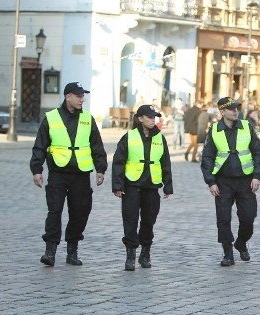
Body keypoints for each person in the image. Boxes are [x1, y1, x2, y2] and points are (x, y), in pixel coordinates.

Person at [30, 82, 107, 267]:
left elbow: (97, 145)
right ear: (68, 96)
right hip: (58, 172)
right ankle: (50, 251)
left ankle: (72, 250)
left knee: (80, 212)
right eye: (79, 96)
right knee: (55, 210)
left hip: (81, 174)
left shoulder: (88, 119)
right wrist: (37, 170)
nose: (82, 99)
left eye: (83, 96)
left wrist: (100, 169)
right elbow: (40, 145)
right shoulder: (51, 118)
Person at [200, 97, 260, 266]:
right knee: (223, 219)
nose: (235, 111)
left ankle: (241, 243)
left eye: (236, 108)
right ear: (222, 112)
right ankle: (227, 252)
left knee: (248, 217)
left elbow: (258, 153)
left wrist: (257, 176)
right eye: (231, 109)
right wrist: (211, 182)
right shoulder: (214, 130)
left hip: (245, 181)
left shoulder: (246, 127)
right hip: (223, 182)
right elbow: (207, 157)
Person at [112, 105, 173, 271]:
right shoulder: (129, 137)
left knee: (148, 222)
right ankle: (130, 254)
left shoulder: (160, 138)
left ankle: (145, 252)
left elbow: (165, 162)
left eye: (155, 117)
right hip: (132, 185)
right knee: (130, 221)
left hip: (151, 186)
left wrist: (168, 186)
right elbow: (118, 162)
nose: (153, 119)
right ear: (140, 118)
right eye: (150, 117)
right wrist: (118, 185)